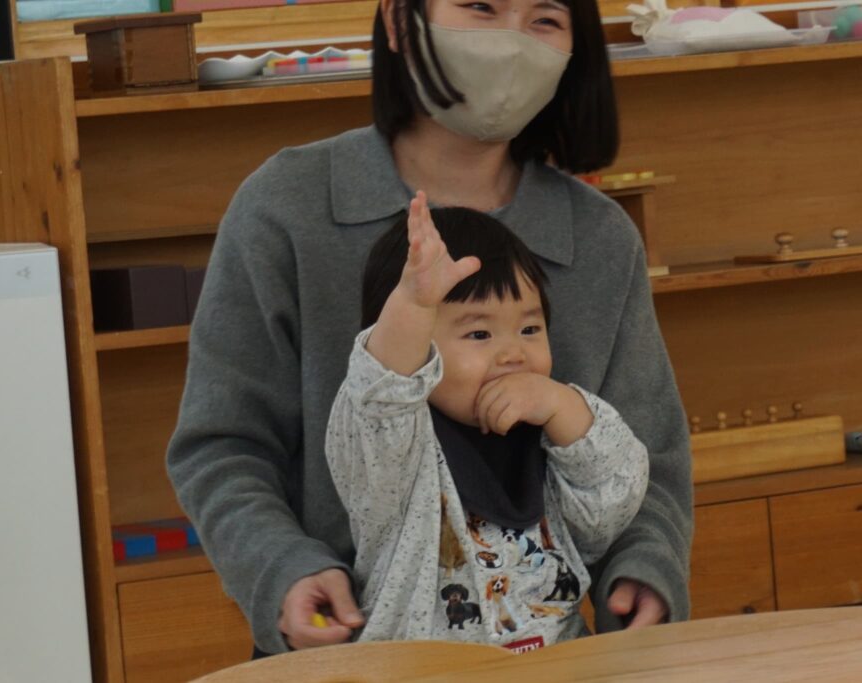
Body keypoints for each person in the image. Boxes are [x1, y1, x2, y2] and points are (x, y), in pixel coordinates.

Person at [167, 0, 693, 657]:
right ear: (397, 21)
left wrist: (645, 566)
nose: (510, 42)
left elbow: (647, 456)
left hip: (550, 655)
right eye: (480, 7)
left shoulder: (601, 237)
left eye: (544, 20)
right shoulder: (286, 206)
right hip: (343, 658)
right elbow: (222, 444)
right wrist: (282, 567)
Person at [326, 194, 649, 649]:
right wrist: (413, 304)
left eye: (530, 329)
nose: (513, 353)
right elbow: (382, 395)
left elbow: (609, 509)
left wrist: (563, 405)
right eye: (479, 333)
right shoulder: (393, 451)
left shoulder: (547, 435)